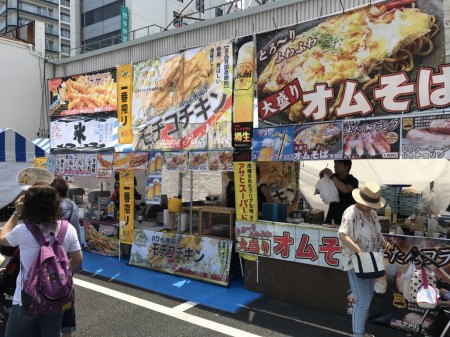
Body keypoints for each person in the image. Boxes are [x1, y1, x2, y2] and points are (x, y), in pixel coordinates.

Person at [0, 183, 83, 337]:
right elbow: (78, 258)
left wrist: (16, 213)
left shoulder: (23, 230)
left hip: (26, 298)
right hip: (56, 296)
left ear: (28, 206)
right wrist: (60, 277)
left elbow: (2, 238)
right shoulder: (67, 228)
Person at [337, 182, 392, 337]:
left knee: (367, 299)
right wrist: (359, 251)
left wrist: (385, 244)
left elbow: (378, 235)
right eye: (368, 204)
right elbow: (342, 235)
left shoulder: (373, 214)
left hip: (371, 261)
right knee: (363, 300)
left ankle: (361, 331)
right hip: (356, 261)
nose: (370, 207)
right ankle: (358, 334)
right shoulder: (351, 212)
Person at [50, 176, 81, 337]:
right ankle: (67, 332)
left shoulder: (57, 208)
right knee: (66, 295)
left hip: (55, 257)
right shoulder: (73, 204)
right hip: (70, 256)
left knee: (49, 294)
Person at [320, 160, 358, 224]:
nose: (335, 166)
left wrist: (331, 176)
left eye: (338, 164)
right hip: (332, 215)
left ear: (346, 167)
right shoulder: (332, 177)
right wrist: (322, 176)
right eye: (335, 164)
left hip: (347, 216)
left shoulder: (352, 180)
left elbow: (345, 190)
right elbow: (325, 190)